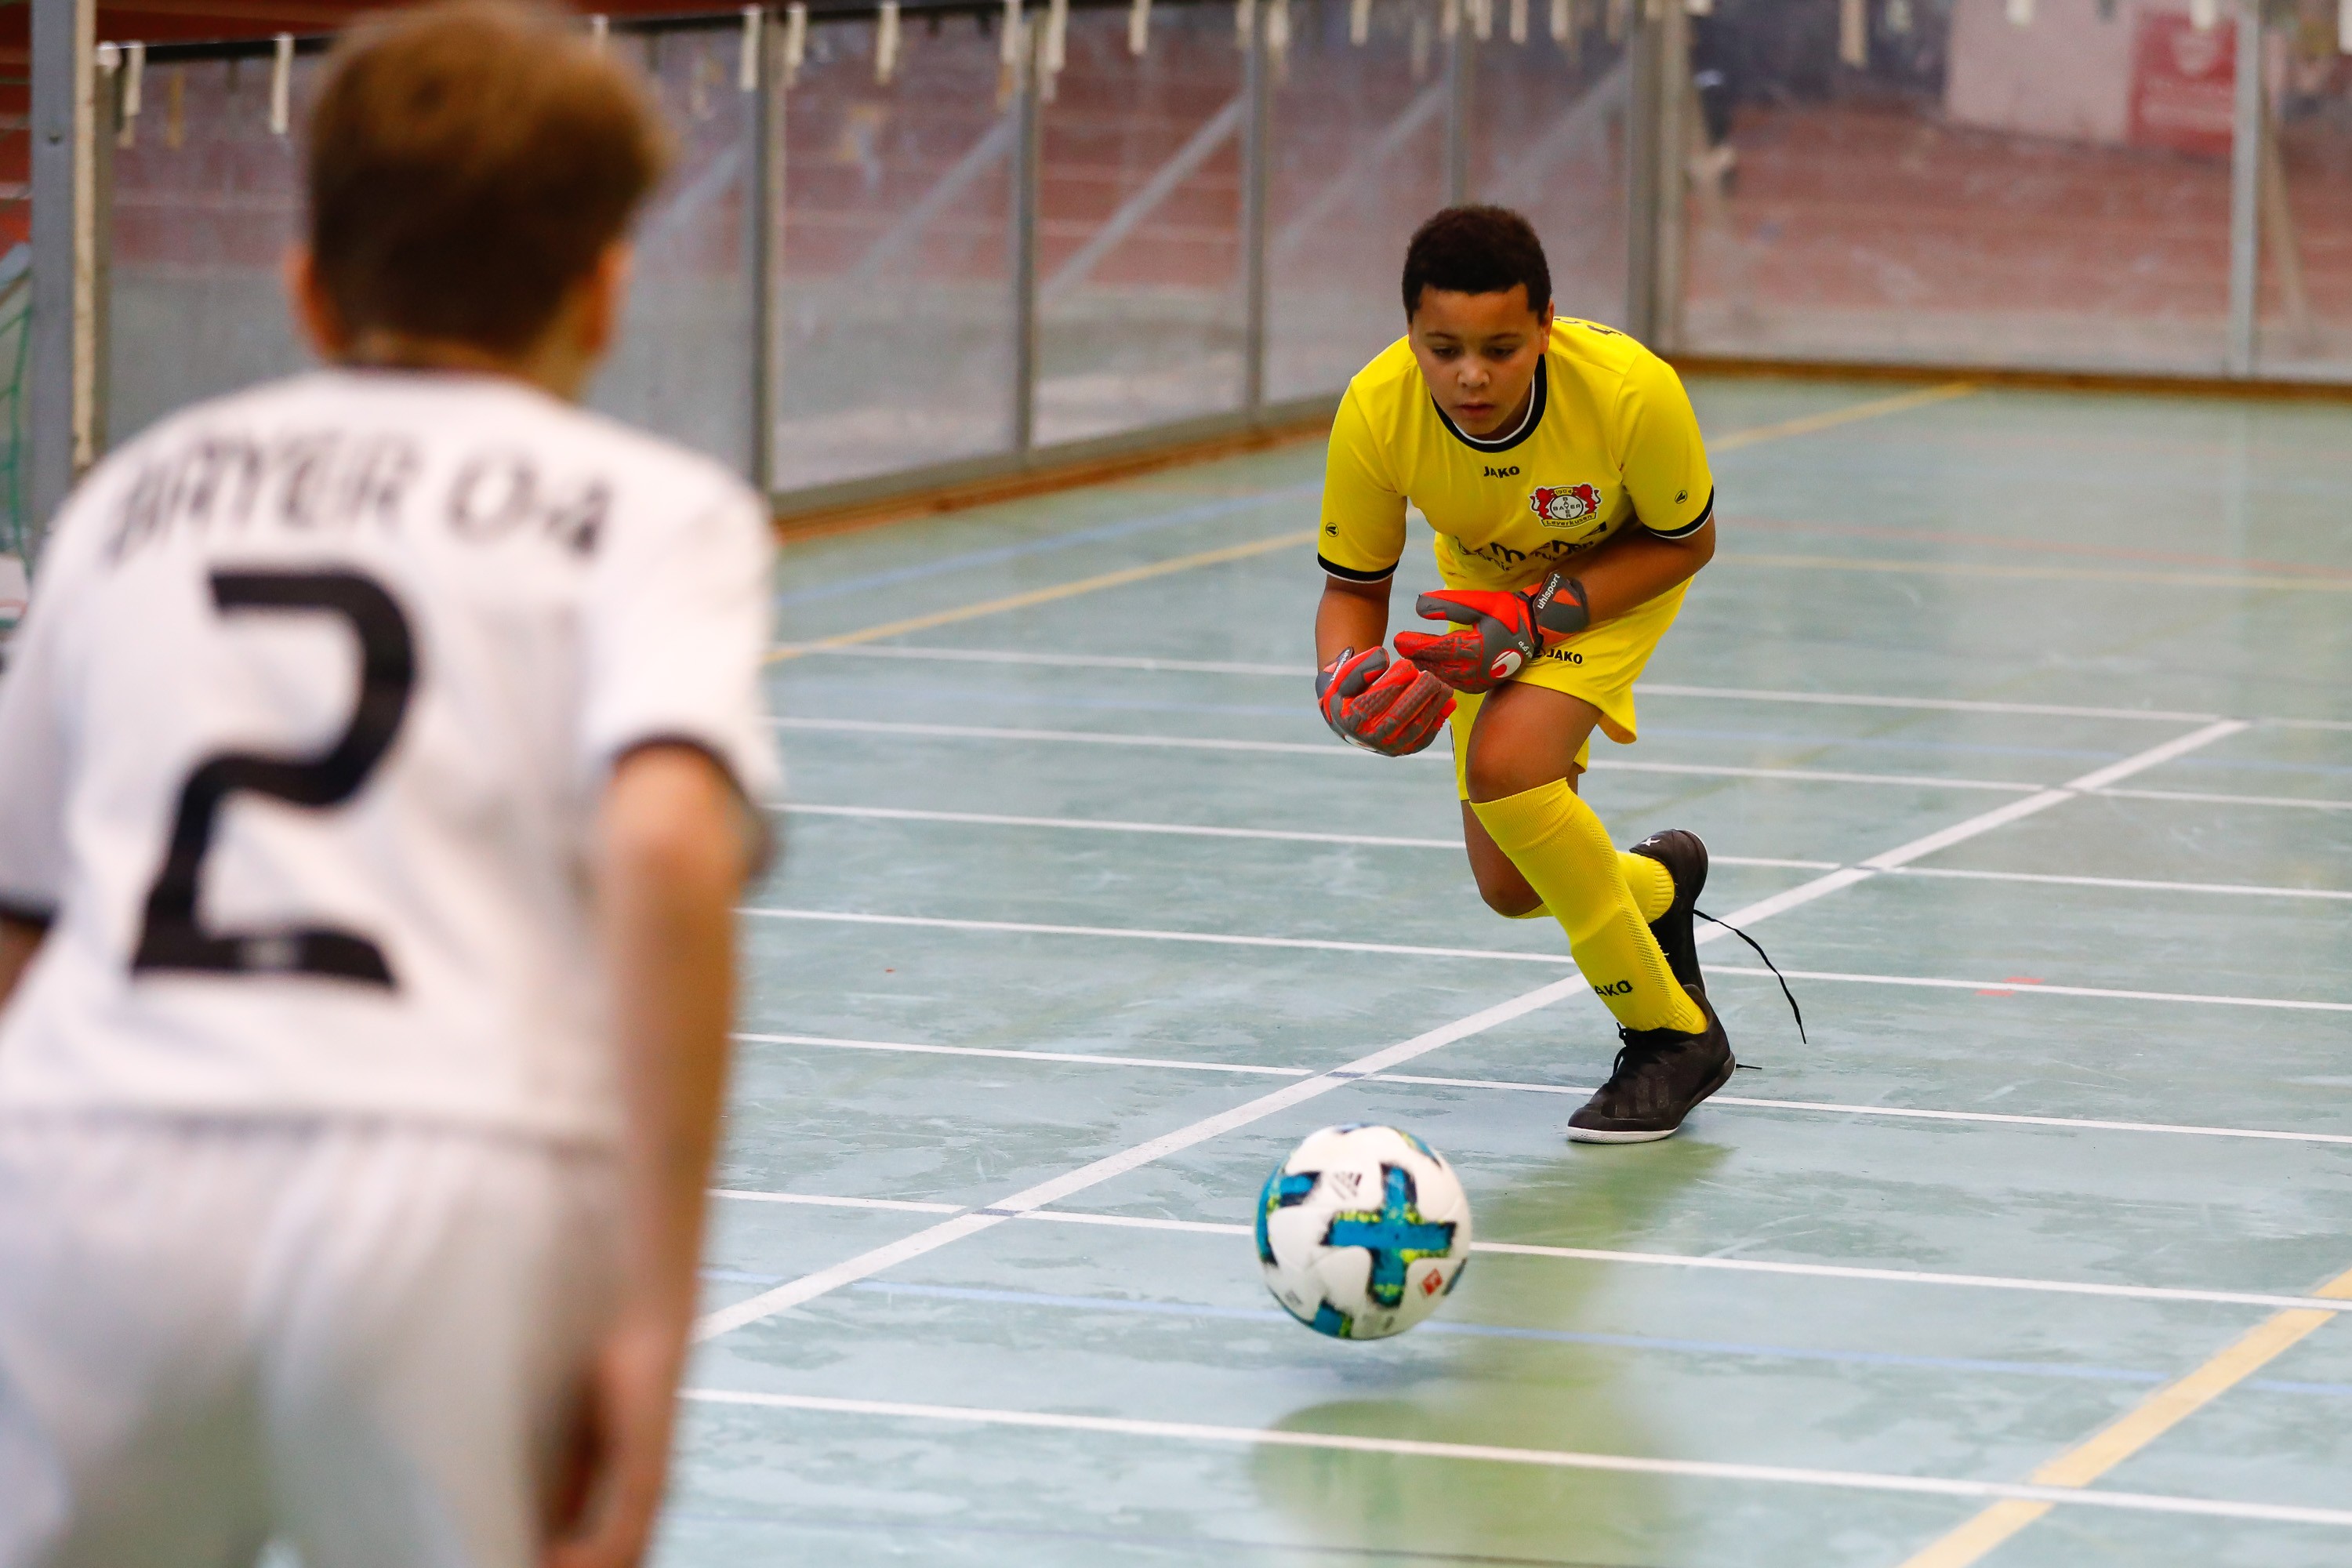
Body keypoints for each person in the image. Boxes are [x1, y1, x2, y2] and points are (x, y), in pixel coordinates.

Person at [0, 5, 779, 1564]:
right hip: (450, 1182)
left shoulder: (130, 502)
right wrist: (654, 1305)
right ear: (604, 291)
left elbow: (21, 923)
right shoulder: (656, 514)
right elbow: (665, 844)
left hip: (100, 1157)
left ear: (306, 284)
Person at [1312, 205, 1730, 1143]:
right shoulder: (1376, 408)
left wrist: (1538, 617)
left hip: (1617, 577)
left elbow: (1685, 541)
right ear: (1410, 333)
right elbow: (1352, 589)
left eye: (1500, 348)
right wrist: (1342, 685)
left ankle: (1673, 1035)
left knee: (1507, 765)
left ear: (1546, 325)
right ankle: (1659, 888)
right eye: (1444, 348)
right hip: (1484, 593)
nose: (1472, 374)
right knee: (1512, 884)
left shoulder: (1631, 390)